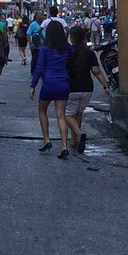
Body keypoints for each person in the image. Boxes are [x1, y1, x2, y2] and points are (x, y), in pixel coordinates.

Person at [29, 21, 72, 159]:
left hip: (48, 83)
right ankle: (64, 146)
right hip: (63, 83)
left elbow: (39, 68)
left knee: (42, 111)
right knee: (61, 116)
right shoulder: (67, 48)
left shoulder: (44, 48)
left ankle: (46, 139)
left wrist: (33, 85)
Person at [67, 25, 111, 153]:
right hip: (87, 88)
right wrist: (105, 86)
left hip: (71, 88)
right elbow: (96, 72)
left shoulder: (68, 52)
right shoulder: (89, 53)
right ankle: (73, 140)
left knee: (67, 115)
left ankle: (79, 134)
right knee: (79, 114)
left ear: (72, 38)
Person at [26, 11, 45, 75]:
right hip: (36, 43)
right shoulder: (33, 24)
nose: (43, 16)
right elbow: (28, 34)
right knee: (35, 58)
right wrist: (30, 43)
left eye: (43, 15)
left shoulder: (44, 23)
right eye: (41, 15)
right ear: (37, 16)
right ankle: (33, 72)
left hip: (43, 44)